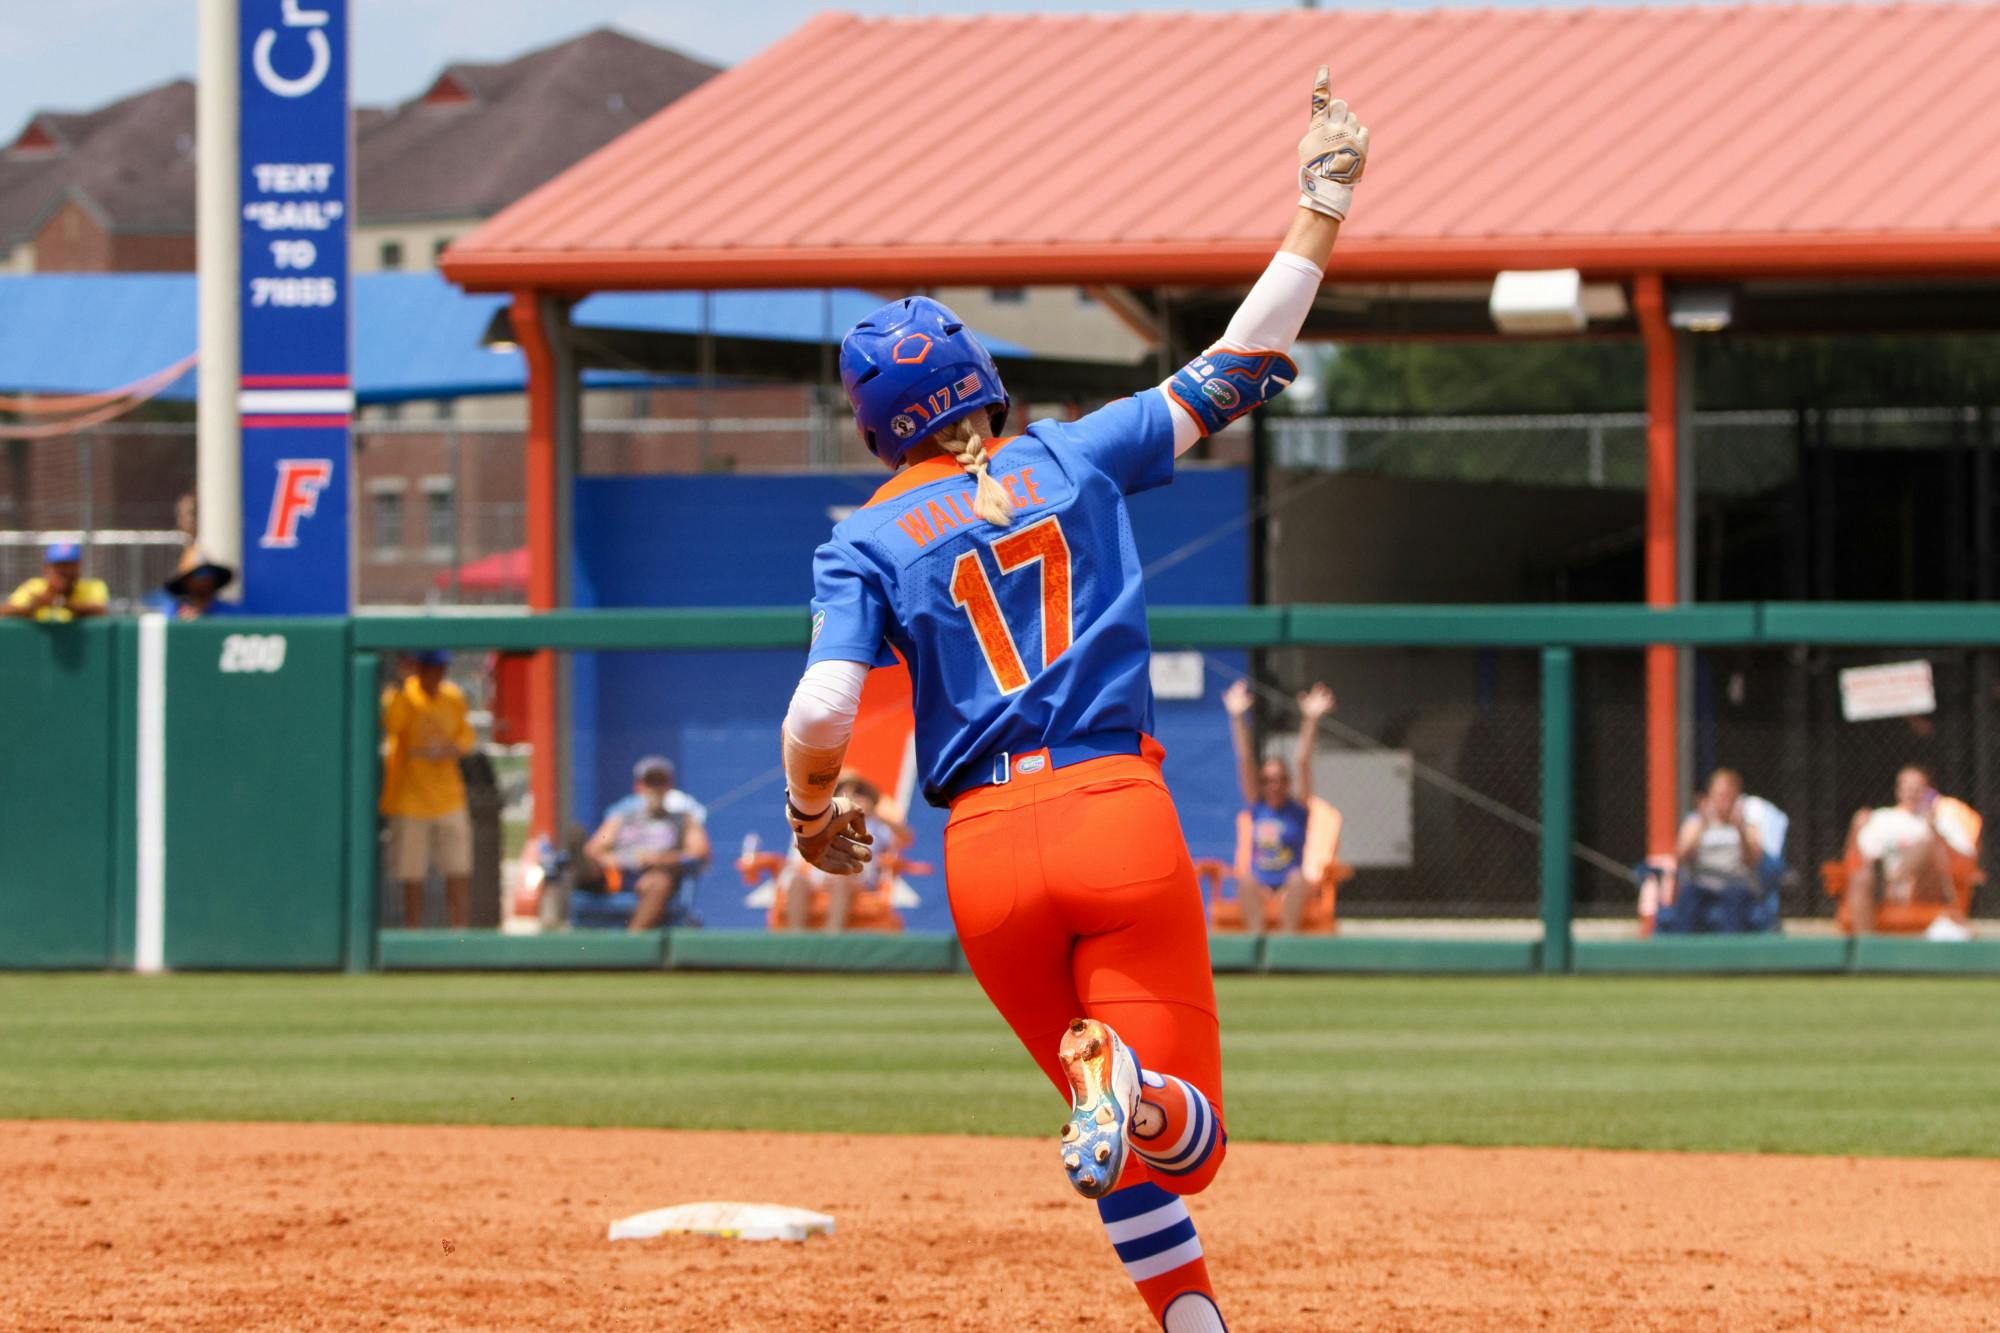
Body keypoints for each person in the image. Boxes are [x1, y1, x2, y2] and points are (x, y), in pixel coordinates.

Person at [776, 70, 1368, 1331]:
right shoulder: (1067, 453)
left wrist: (811, 808)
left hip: (982, 850)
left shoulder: (862, 538)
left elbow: (823, 706)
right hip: (1113, 811)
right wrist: (1319, 205)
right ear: (981, 381)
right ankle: (1137, 1094)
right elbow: (1241, 364)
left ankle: (1188, 1315)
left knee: (1097, 1130)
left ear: (879, 430)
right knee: (1176, 1136)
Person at [1222, 678, 1334, 935]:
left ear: (1288, 782)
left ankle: (1286, 945)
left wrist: (1311, 719)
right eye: (1268, 780)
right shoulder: (1257, 807)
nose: (1274, 785)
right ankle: (1255, 945)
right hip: (1260, 882)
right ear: (1262, 783)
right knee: (1246, 879)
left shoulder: (1298, 810)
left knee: (1299, 879)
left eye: (1280, 779)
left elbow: (1303, 761)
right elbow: (1245, 760)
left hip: (1289, 883)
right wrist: (1237, 717)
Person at [379, 650, 476, 927]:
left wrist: (452, 748)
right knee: (412, 876)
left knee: (458, 872)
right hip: (410, 801)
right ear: (418, 668)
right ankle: (413, 939)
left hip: (449, 798)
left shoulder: (453, 697)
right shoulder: (402, 697)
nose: (437, 674)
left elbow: (465, 735)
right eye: (431, 668)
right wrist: (401, 683)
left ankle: (460, 939)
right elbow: (392, 725)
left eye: (441, 668)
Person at [583, 756, 711, 931]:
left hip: (655, 877)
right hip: (616, 876)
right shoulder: (622, 817)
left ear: (669, 786)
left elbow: (700, 853)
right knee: (573, 844)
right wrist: (612, 860)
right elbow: (593, 849)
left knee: (658, 882)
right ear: (639, 786)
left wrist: (661, 859)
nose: (655, 788)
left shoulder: (684, 820)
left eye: (661, 782)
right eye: (651, 782)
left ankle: (632, 943)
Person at [1847, 764, 1975, 935]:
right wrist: (1854, 831)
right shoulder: (1882, 819)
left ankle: (1899, 883)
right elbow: (1862, 858)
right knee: (1862, 876)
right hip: (1884, 885)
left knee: (1928, 844)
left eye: (1918, 788)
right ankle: (1867, 947)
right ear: (1898, 790)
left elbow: (1966, 859)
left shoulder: (1944, 821)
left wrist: (1936, 832)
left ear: (1929, 792)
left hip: (1928, 887)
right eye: (1907, 787)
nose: (1912, 792)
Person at [779, 772, 913, 931]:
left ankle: (832, 936)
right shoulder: (825, 821)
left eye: (857, 793)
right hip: (822, 871)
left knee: (841, 881)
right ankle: (796, 938)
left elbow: (905, 838)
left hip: (856, 873)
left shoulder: (876, 825)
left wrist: (873, 813)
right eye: (845, 792)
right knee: (797, 882)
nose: (851, 798)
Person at [1671, 768, 1766, 933]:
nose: (1723, 799)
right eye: (1718, 794)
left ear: (1736, 796)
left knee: (1735, 897)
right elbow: (1682, 856)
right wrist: (1702, 824)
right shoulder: (1696, 821)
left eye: (1727, 794)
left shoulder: (1748, 824)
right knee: (1688, 897)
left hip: (1736, 883)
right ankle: (1684, 954)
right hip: (1702, 882)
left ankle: (1731, 954)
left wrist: (1740, 829)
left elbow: (1753, 860)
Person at [4, 542, 108, 622]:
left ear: (79, 567)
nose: (65, 572)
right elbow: (5, 612)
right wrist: (35, 605)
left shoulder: (93, 586)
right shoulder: (33, 586)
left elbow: (100, 611)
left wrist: (60, 602)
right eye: (59, 566)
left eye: (70, 566)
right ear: (47, 568)